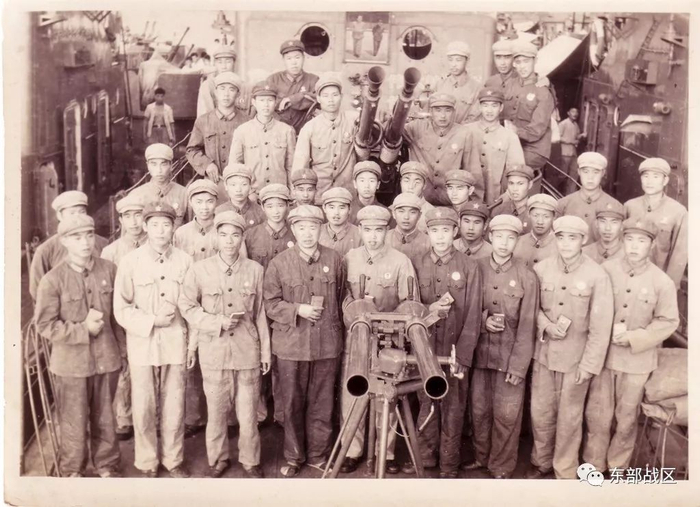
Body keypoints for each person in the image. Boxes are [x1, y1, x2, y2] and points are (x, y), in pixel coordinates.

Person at [583, 218, 679, 474]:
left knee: (626, 418)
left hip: (637, 363)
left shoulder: (661, 281)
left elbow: (668, 321)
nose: (635, 246)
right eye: (630, 239)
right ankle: (593, 465)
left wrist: (635, 337)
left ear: (651, 244)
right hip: (605, 358)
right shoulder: (606, 270)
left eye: (642, 241)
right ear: (622, 241)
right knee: (597, 415)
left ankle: (617, 466)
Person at [179, 211, 271, 479]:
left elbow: (261, 313)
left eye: (235, 235)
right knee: (217, 412)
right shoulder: (199, 269)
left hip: (247, 351)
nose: (229, 241)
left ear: (242, 238)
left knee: (248, 412)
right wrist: (215, 322)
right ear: (216, 238)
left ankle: (250, 460)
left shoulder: (255, 270)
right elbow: (187, 306)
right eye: (223, 235)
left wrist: (265, 352)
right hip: (214, 351)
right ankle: (218, 459)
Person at [35, 214, 124, 478]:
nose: (85, 242)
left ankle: (107, 465)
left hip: (107, 358)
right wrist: (82, 329)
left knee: (105, 416)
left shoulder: (109, 270)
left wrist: (123, 352)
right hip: (71, 364)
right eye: (76, 237)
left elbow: (117, 318)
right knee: (73, 419)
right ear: (64, 241)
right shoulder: (53, 280)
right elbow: (45, 325)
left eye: (88, 235)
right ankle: (73, 469)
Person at [527, 216, 613, 480]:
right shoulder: (541, 269)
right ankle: (541, 461)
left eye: (572, 238)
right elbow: (532, 308)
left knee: (569, 418)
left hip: (575, 361)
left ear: (583, 240)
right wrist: (545, 325)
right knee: (540, 413)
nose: (565, 244)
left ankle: (564, 470)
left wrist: (589, 365)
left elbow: (601, 326)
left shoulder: (597, 275)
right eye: (561, 237)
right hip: (543, 356)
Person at [263, 205, 346, 477]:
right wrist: (298, 309)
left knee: (323, 403)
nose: (307, 233)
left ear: (320, 228)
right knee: (292, 403)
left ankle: (319, 455)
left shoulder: (334, 259)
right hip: (292, 345)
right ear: (293, 230)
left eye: (313, 227)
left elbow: (341, 297)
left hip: (326, 344)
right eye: (301, 228)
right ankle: (294, 456)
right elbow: (270, 304)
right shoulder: (279, 263)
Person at [113, 202, 193, 478]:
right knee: (144, 405)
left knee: (175, 403)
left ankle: (173, 460)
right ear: (145, 227)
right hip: (142, 342)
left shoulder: (185, 261)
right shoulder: (130, 262)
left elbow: (192, 305)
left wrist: (192, 343)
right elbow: (121, 308)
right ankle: (147, 461)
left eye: (166, 224)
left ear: (173, 228)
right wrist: (151, 321)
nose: (160, 231)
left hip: (175, 341)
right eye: (155, 224)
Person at [341, 205, 418, 475]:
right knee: (353, 394)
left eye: (378, 230)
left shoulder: (400, 261)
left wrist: (389, 322)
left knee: (387, 397)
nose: (373, 236)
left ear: (387, 231)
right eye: (367, 230)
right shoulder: (349, 258)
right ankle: (352, 450)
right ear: (360, 230)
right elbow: (342, 297)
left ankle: (385, 452)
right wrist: (356, 309)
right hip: (357, 338)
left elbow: (409, 304)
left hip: (388, 341)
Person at [406, 207, 482, 478]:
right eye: (435, 231)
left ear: (455, 232)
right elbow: (410, 307)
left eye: (446, 231)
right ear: (428, 232)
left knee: (453, 408)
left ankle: (449, 465)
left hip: (453, 351)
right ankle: (426, 459)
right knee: (426, 402)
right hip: (424, 348)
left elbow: (473, 315)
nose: (440, 236)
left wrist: (463, 355)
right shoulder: (415, 263)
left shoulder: (469, 266)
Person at [466, 214, 538, 479]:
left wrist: (518, 367)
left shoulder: (527, 276)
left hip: (509, 359)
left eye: (510, 238)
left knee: (507, 416)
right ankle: (481, 458)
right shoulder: (475, 268)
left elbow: (528, 325)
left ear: (517, 241)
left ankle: (501, 466)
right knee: (479, 411)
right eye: (499, 237)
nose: (504, 243)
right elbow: (467, 309)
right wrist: (483, 321)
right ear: (490, 237)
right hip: (480, 356)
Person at [172, 179, 222, 439]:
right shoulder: (181, 234)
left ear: (216, 203)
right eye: (199, 202)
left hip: (218, 301)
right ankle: (194, 416)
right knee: (191, 362)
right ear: (190, 203)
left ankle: (223, 417)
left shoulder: (223, 229)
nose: (204, 207)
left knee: (218, 358)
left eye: (209, 201)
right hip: (190, 301)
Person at [244, 183, 296, 426]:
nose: (276, 211)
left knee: (282, 360)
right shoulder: (251, 235)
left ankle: (282, 415)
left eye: (281, 205)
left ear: (288, 207)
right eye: (270, 205)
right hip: (258, 305)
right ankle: (259, 413)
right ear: (262, 207)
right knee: (257, 357)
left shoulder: (295, 235)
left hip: (285, 305)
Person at [101, 195, 148, 441]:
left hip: (150, 315)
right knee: (124, 367)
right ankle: (124, 416)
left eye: (138, 215)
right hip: (121, 318)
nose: (134, 222)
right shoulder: (111, 252)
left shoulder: (157, 243)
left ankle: (152, 417)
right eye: (128, 216)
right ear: (120, 220)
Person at [404, 93, 483, 205]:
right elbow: (393, 132)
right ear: (431, 111)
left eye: (448, 110)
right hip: (421, 202)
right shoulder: (416, 128)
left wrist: (474, 205)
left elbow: (474, 172)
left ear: (454, 112)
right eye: (438, 110)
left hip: (451, 202)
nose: (443, 115)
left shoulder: (464, 134)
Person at [29, 190, 109, 301]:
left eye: (82, 212)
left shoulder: (103, 244)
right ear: (59, 216)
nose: (77, 218)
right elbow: (38, 291)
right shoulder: (45, 250)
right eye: (72, 213)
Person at [292, 75, 362, 201]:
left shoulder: (354, 120)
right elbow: (300, 165)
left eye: (335, 95)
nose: (331, 100)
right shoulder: (309, 128)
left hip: (347, 195)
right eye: (325, 96)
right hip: (319, 196)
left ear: (341, 96)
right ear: (318, 99)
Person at [187, 71, 250, 205]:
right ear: (215, 92)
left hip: (241, 186)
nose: (226, 94)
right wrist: (207, 164)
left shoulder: (247, 121)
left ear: (238, 94)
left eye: (231, 89)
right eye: (222, 89)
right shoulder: (203, 121)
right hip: (213, 185)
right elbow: (192, 150)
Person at [624, 157, 687, 289]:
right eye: (645, 176)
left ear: (665, 180)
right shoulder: (630, 206)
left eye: (656, 176)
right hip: (628, 279)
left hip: (657, 282)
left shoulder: (678, 211)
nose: (649, 181)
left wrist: (669, 286)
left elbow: (679, 254)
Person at [230, 82, 296, 200]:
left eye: (270, 100)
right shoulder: (242, 131)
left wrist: (292, 194)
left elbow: (291, 166)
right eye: (261, 100)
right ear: (254, 102)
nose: (266, 105)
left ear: (275, 102)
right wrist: (249, 193)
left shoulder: (286, 130)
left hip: (279, 194)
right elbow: (235, 167)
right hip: (252, 195)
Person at [463, 88, 525, 204]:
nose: (489, 110)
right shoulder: (466, 131)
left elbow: (517, 171)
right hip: (467, 197)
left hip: (495, 199)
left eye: (494, 105)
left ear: (501, 108)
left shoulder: (510, 136)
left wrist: (506, 196)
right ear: (479, 107)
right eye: (485, 105)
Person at [506, 40, 556, 173]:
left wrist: (515, 132)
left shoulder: (543, 91)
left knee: (510, 170)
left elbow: (536, 130)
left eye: (526, 61)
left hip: (533, 149)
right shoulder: (510, 85)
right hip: (512, 143)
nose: (522, 66)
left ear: (535, 61)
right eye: (518, 62)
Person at [556, 152, 622, 246]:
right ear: (579, 172)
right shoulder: (563, 204)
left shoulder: (616, 206)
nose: (590, 177)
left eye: (595, 172)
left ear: (603, 173)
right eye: (586, 171)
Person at [266, 40, 319, 135]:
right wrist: (281, 125)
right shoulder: (273, 80)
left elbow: (318, 100)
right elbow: (265, 104)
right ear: (283, 60)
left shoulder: (313, 80)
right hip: (276, 131)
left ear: (303, 58)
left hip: (304, 132)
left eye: (297, 57)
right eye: (289, 58)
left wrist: (292, 99)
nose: (294, 62)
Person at [129, 143, 188, 228]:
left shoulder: (184, 194)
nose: (159, 170)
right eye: (154, 164)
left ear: (171, 165)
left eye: (163, 164)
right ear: (147, 165)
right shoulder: (136, 195)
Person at [433, 41, 483, 125]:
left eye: (458, 60)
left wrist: (456, 131)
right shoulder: (440, 85)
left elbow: (475, 118)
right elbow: (432, 113)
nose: (453, 64)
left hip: (465, 131)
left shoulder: (476, 88)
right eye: (450, 60)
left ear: (467, 61)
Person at [513, 194, 558, 268]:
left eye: (546, 217)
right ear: (528, 214)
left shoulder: (560, 245)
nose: (540, 222)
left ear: (554, 217)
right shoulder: (517, 242)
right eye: (535, 216)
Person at [386, 193, 431, 266]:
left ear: (419, 215)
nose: (406, 217)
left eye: (412, 212)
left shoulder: (429, 242)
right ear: (394, 214)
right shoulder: (384, 239)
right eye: (401, 211)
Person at [215, 164, 266, 228]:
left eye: (244, 184)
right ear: (226, 186)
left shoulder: (260, 212)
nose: (238, 190)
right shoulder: (219, 212)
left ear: (250, 186)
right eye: (233, 185)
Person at [490, 164, 535, 235]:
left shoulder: (536, 212)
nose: (515, 189)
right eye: (511, 183)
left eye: (520, 184)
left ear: (530, 185)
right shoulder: (499, 211)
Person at [196, 45, 240, 118]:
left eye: (228, 62)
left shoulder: (241, 84)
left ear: (234, 63)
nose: (224, 67)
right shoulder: (208, 86)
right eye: (220, 62)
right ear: (215, 64)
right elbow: (205, 117)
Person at [319, 187, 363, 258]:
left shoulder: (360, 235)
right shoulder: (317, 232)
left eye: (342, 208)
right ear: (324, 208)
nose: (336, 212)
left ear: (349, 209)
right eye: (332, 207)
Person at [398, 161, 434, 233]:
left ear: (424, 185)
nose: (411, 186)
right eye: (406, 180)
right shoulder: (391, 210)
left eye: (417, 182)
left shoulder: (432, 213)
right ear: (400, 182)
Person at [558, 108, 586, 194]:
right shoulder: (563, 123)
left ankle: (570, 193)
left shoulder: (575, 125)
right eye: (573, 111)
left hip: (573, 153)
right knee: (563, 174)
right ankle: (557, 191)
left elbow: (577, 136)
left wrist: (582, 135)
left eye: (577, 112)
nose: (575, 113)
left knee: (574, 174)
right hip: (565, 153)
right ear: (568, 113)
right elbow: (558, 137)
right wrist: (571, 141)